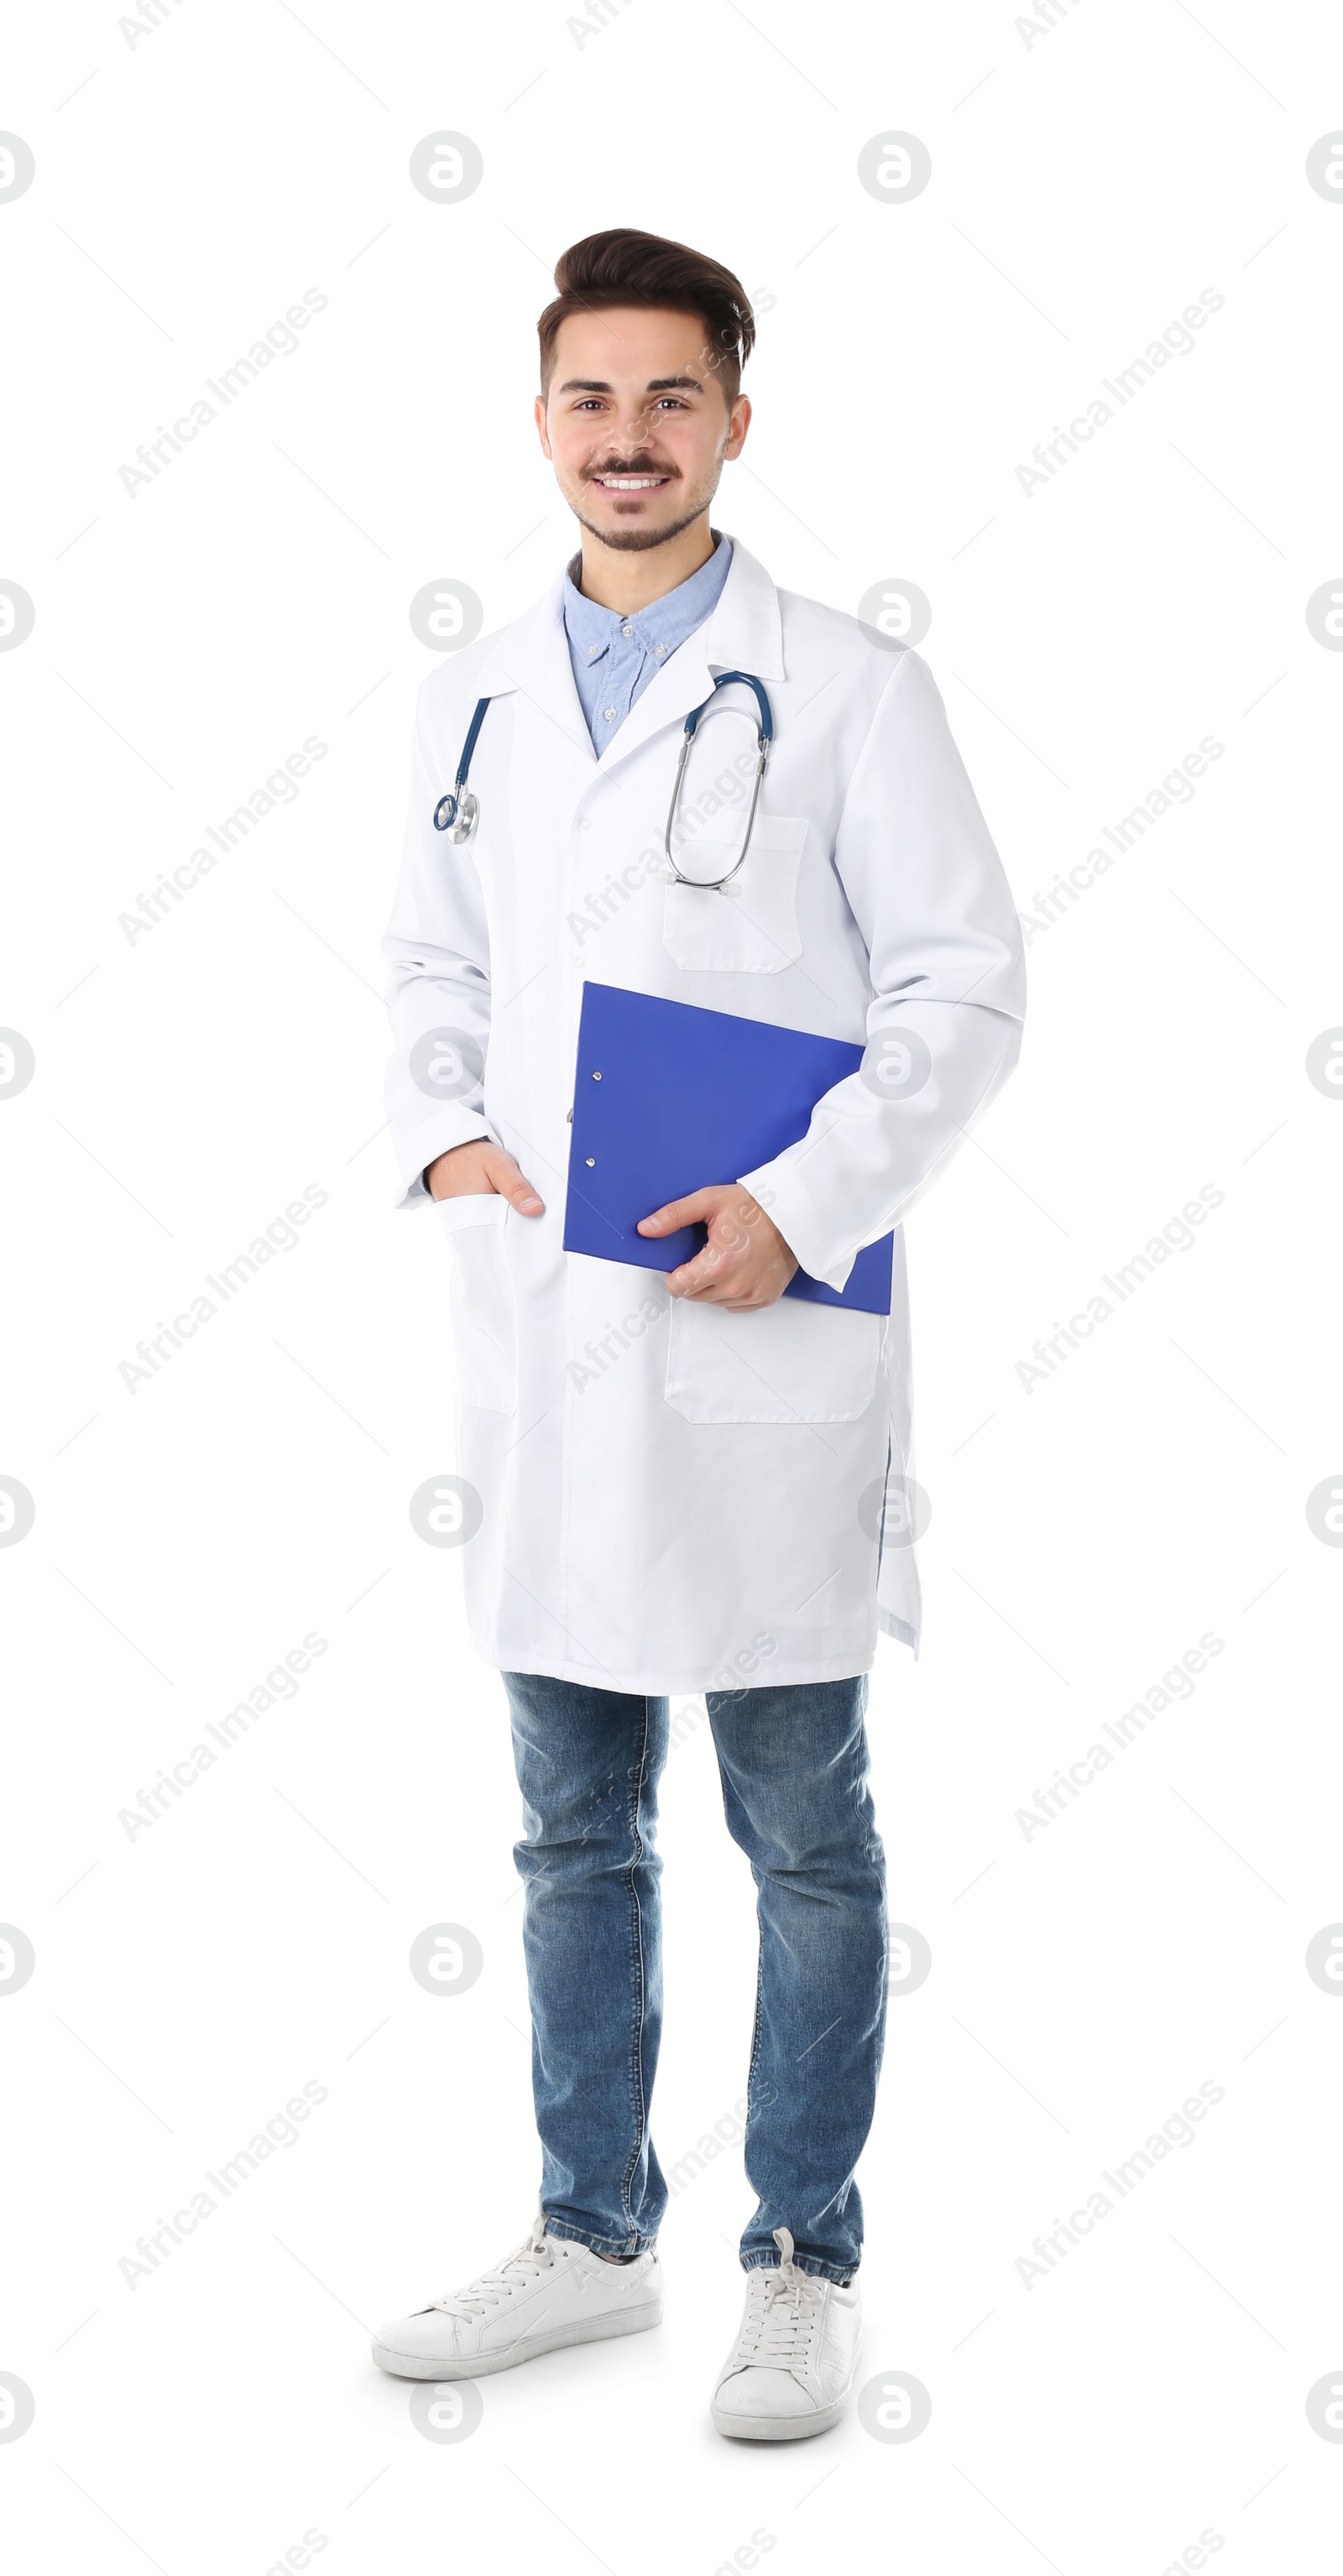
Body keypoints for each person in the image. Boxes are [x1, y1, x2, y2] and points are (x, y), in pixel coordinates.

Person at [374, 227, 1026, 2440]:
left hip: (761, 1345)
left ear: (738, 419)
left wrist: (808, 1197)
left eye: (672, 399)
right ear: (542, 421)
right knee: (570, 1827)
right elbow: (424, 973)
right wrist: (448, 1146)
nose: (628, 439)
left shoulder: (847, 685)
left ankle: (799, 2262)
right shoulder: (474, 688)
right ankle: (584, 2231)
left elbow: (963, 991)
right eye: (591, 400)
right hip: (545, 1331)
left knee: (802, 1828)